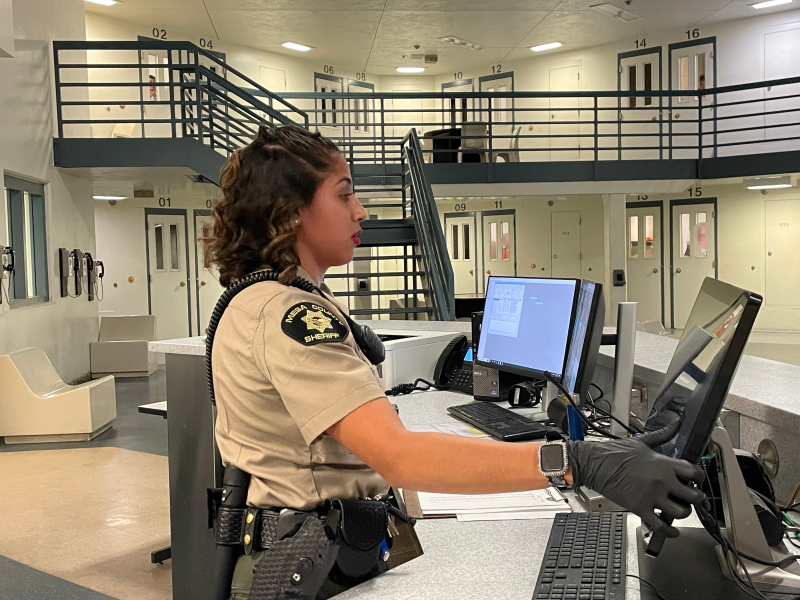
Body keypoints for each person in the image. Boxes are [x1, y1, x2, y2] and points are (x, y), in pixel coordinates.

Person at [204, 125, 705, 599]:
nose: (361, 211)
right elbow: (400, 457)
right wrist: (578, 462)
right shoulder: (289, 313)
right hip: (304, 573)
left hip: (323, 554)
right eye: (343, 194)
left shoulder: (278, 297)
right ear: (292, 213)